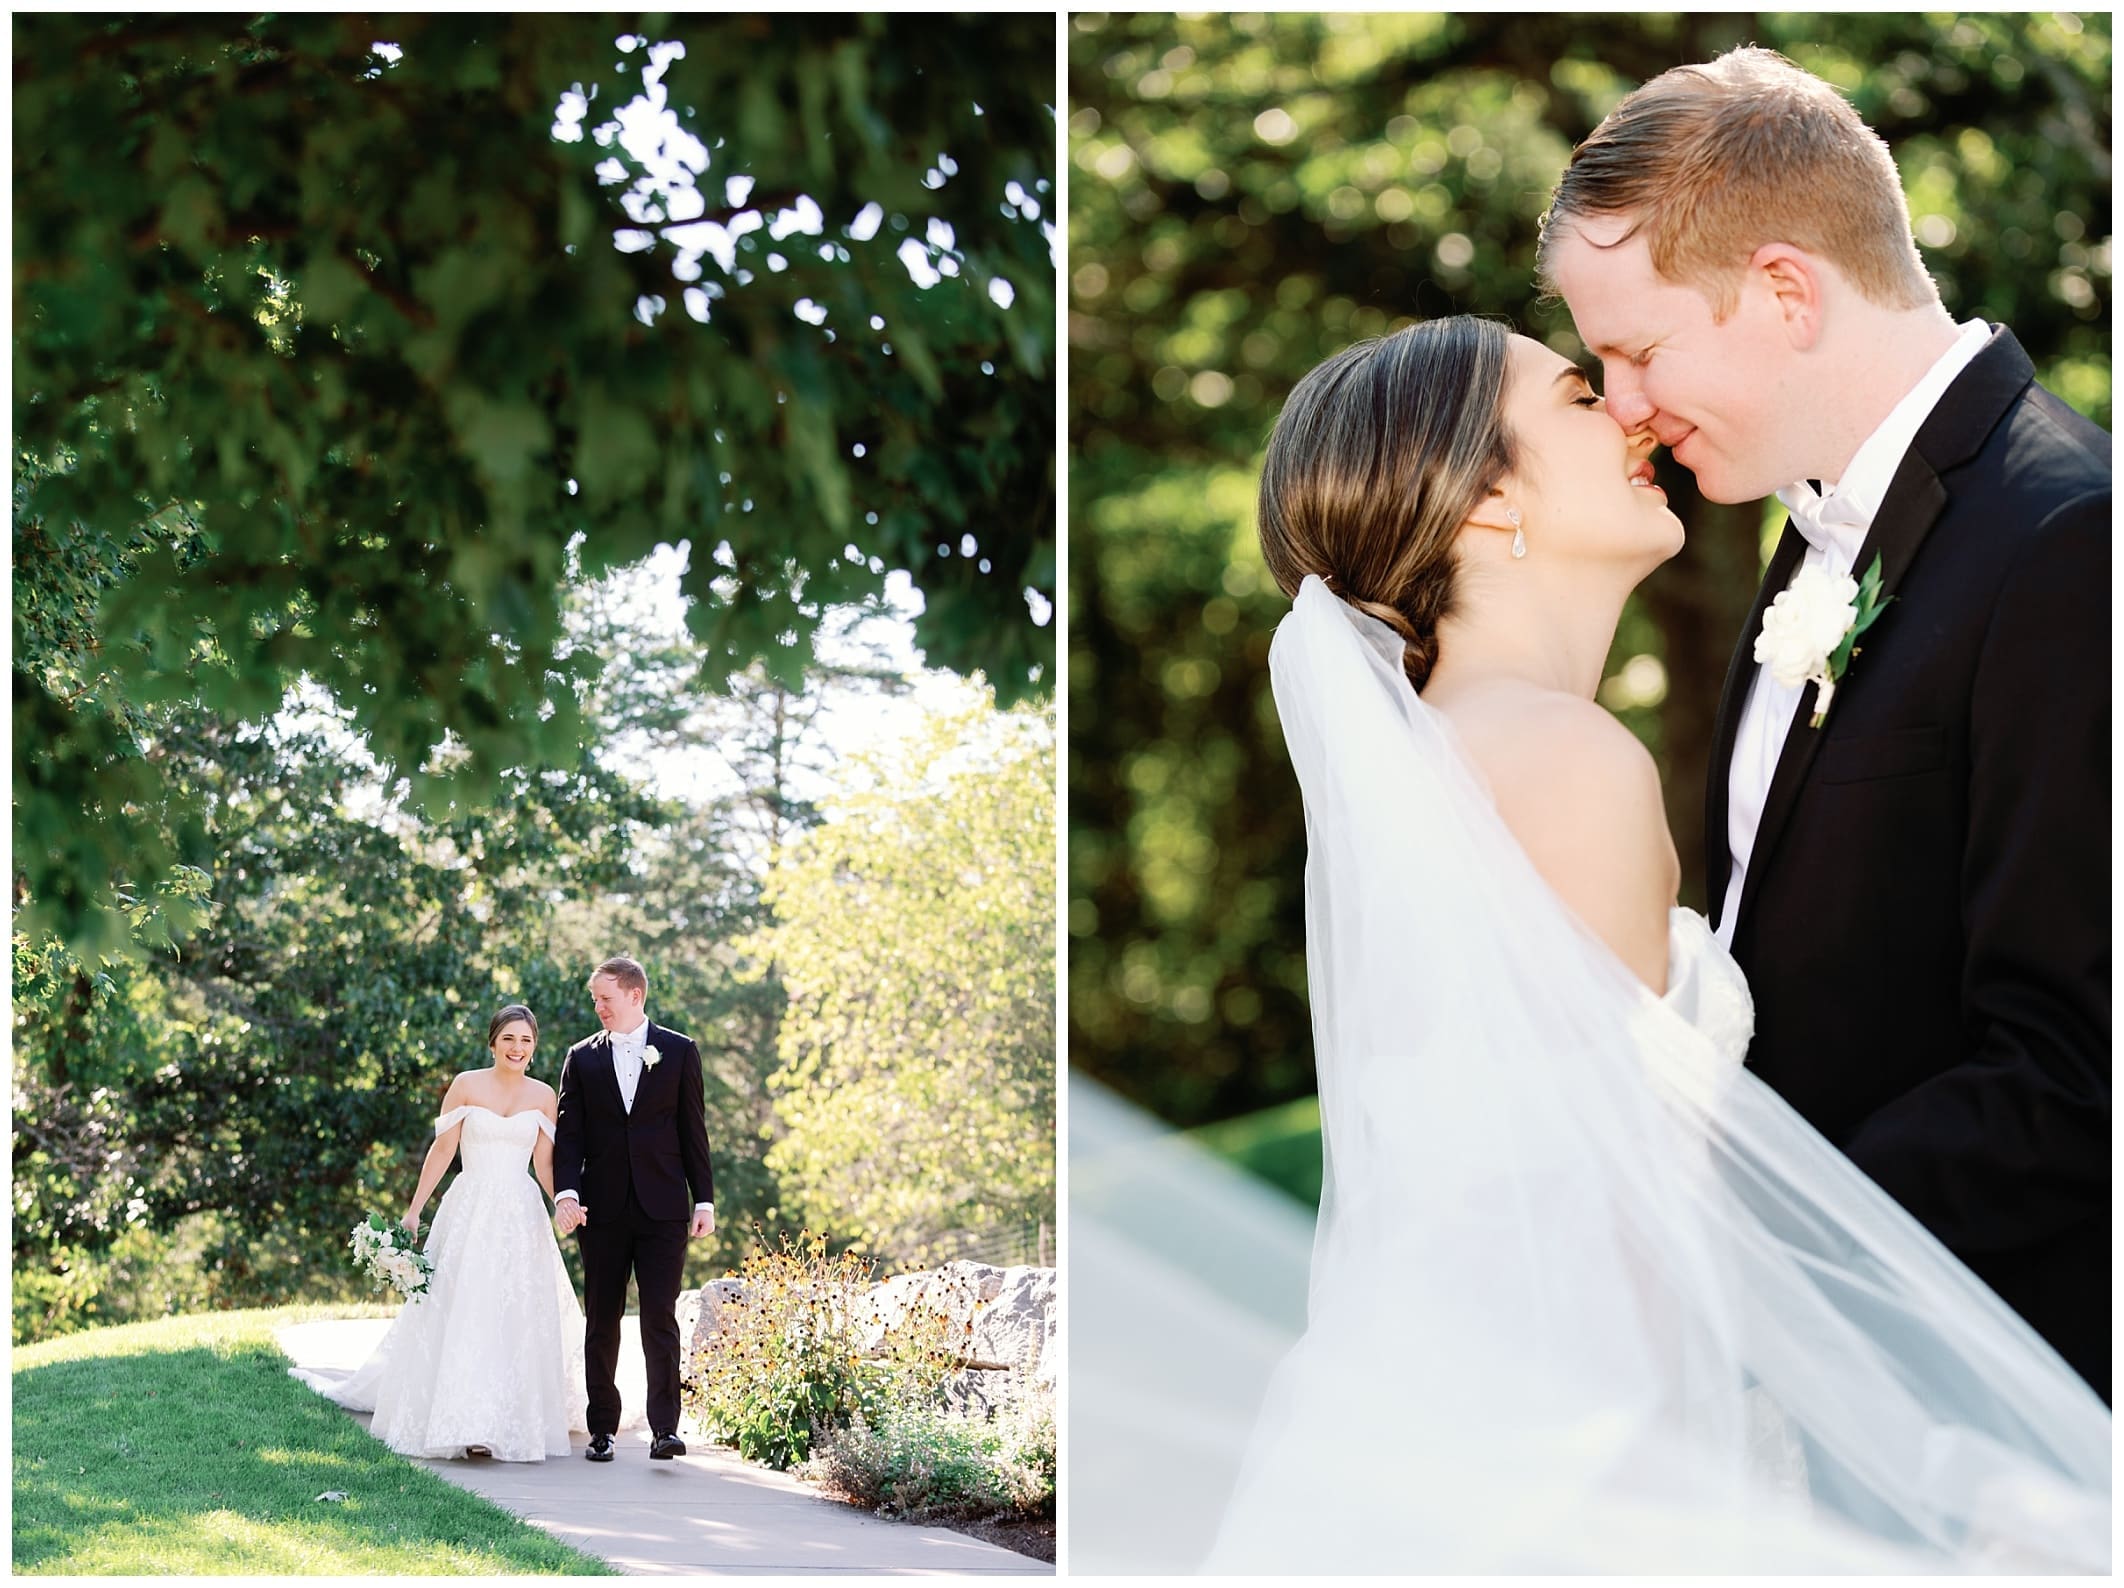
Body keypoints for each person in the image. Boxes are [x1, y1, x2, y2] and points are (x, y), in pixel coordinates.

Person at [1075, 315, 2109, 1572]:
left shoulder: (1459, 763)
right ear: (1481, 503)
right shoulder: (1565, 766)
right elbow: (1625, 1246)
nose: (1632, 410)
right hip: (1567, 1463)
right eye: (1577, 395)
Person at [1536, 45, 2110, 1404]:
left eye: (1637, 348)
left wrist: (1729, 1255)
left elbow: (2076, 1074)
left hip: (1993, 1421)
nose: (1618, 404)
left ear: (1785, 289)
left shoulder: (2073, 543)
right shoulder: (1808, 542)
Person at [290, 1004, 590, 1462]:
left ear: (535, 1047)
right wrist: (413, 1212)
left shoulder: (545, 1095)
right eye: (509, 1038)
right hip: (470, 1208)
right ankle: (464, 1419)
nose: (517, 1048)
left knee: (513, 1313)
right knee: (466, 1308)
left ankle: (504, 1418)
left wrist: (563, 1202)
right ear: (493, 1042)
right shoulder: (466, 1084)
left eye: (526, 1041)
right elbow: (443, 1149)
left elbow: (544, 1164)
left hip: (520, 1215)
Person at [552, 955, 716, 1463]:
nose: (598, 1007)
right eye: (595, 999)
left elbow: (694, 1132)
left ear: (635, 995)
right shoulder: (581, 1058)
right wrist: (567, 1193)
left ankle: (665, 1429)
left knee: (659, 1319)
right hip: (600, 1211)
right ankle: (602, 1428)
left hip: (663, 1207)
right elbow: (570, 1134)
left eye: (605, 998)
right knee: (602, 1319)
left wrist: (703, 1198)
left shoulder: (679, 1051)